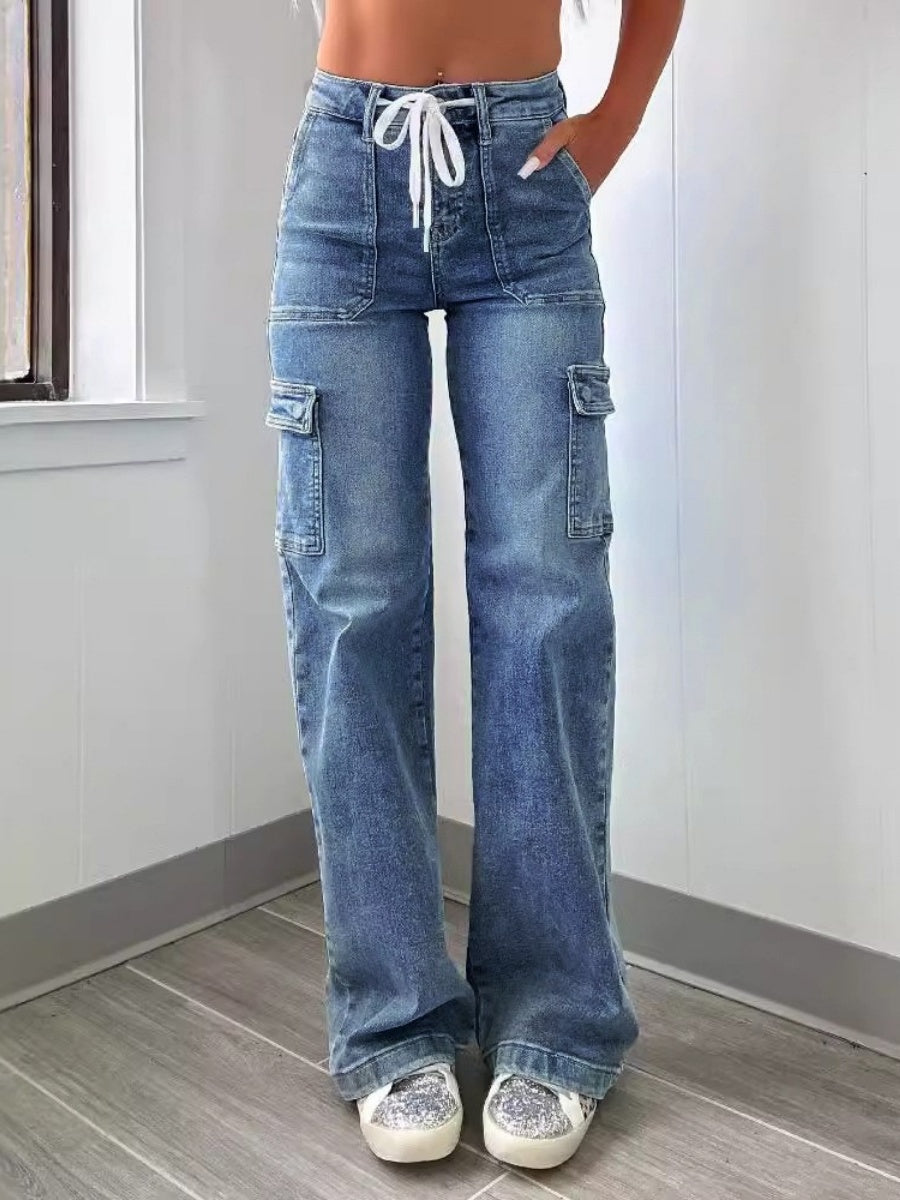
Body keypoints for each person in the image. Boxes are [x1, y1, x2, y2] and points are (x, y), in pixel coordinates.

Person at [266, 0, 683, 1171]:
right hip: (345, 173)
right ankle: (393, 1022)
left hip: (526, 177)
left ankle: (555, 1023)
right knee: (352, 608)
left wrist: (618, 117)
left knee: (546, 601)